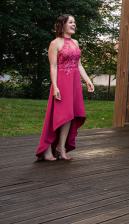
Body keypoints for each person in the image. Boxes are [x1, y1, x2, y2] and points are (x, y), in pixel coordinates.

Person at [36, 15, 95, 161]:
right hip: (61, 82)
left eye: (74, 22)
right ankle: (47, 148)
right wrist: (55, 86)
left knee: (70, 115)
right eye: (71, 22)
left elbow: (79, 64)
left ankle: (61, 147)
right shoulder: (55, 43)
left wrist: (87, 80)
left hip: (74, 83)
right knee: (57, 115)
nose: (74, 24)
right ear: (62, 25)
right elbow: (53, 66)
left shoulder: (75, 42)